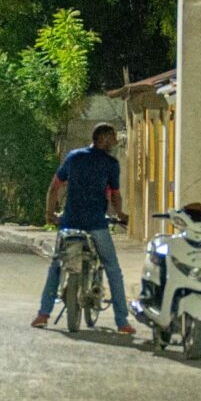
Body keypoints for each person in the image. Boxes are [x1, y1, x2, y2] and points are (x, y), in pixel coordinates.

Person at [32, 123, 133, 334]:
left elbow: (54, 188)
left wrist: (50, 214)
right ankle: (122, 321)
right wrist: (122, 215)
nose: (115, 142)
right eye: (113, 138)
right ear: (103, 138)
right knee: (113, 269)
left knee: (57, 266)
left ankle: (43, 314)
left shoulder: (74, 157)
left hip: (69, 223)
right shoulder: (110, 164)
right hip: (96, 224)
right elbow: (115, 195)